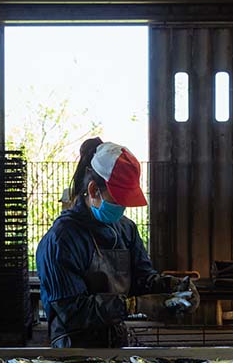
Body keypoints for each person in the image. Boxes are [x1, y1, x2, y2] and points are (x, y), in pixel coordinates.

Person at [36, 138, 199, 348]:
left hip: (116, 340)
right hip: (74, 348)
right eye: (118, 200)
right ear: (94, 190)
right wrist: (132, 305)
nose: (122, 208)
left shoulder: (125, 229)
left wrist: (172, 287)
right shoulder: (62, 239)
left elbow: (141, 279)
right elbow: (72, 311)